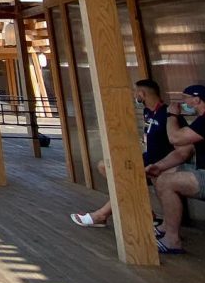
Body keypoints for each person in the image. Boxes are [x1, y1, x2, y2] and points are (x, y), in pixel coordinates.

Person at [70, 79, 192, 228]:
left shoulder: (169, 115)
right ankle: (147, 211)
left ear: (142, 93)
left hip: (161, 163)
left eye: (135, 92)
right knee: (104, 166)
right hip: (146, 159)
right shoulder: (148, 111)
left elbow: (183, 147)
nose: (135, 95)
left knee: (126, 180)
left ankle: (101, 215)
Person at [151, 84, 205, 255]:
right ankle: (167, 226)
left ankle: (172, 240)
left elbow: (175, 138)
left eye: (185, 99)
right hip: (201, 169)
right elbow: (182, 153)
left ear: (196, 100)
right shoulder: (199, 121)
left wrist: (172, 115)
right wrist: (157, 167)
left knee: (167, 183)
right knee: (161, 175)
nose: (183, 104)